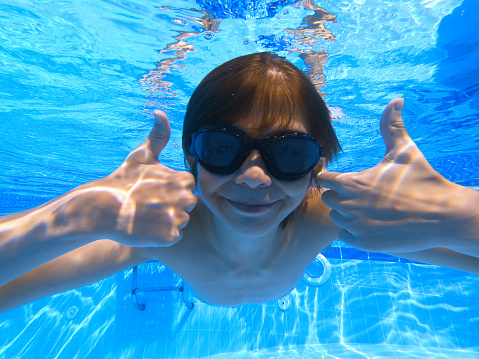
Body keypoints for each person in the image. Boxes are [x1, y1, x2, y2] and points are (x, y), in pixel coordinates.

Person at [1, 52, 478, 314]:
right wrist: (81, 214)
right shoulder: (159, 232)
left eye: (289, 153)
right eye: (222, 149)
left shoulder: (330, 214)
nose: (253, 178)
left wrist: (453, 213)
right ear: (191, 158)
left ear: (318, 166)